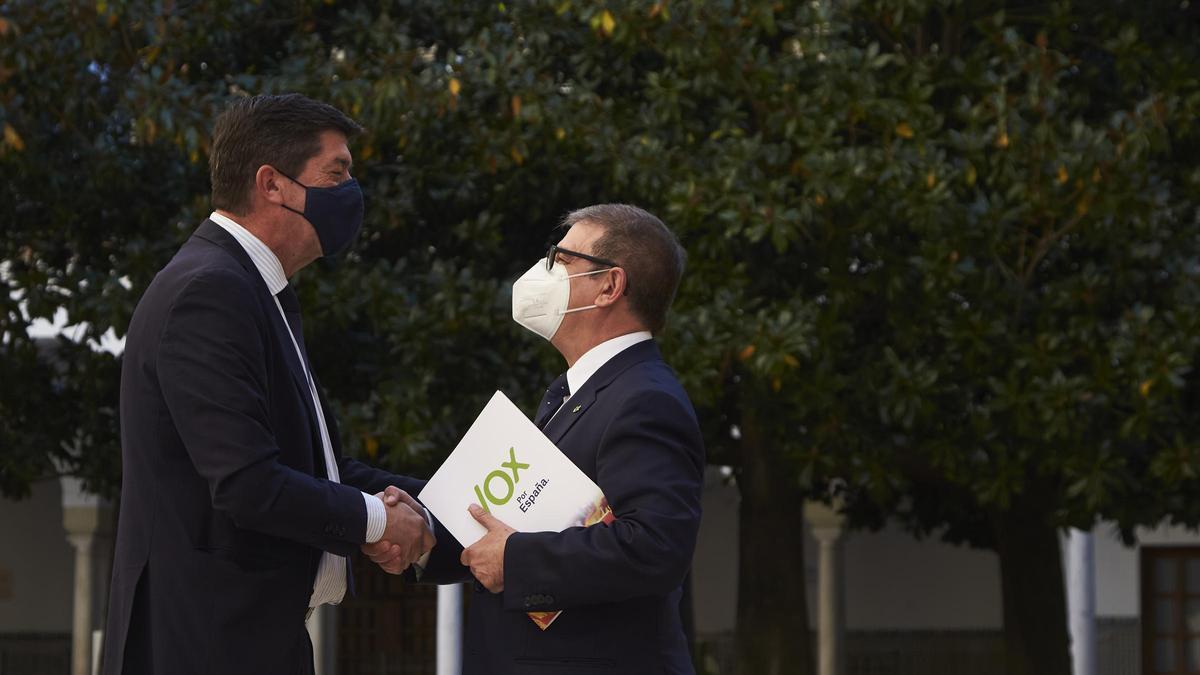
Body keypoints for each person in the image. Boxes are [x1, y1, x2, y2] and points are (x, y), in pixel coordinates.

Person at [101, 93, 434, 675]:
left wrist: (443, 506)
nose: (351, 191)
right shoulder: (211, 291)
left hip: (249, 636)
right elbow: (247, 483)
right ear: (272, 184)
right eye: (338, 172)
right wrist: (378, 520)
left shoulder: (253, 287)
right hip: (206, 643)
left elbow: (314, 468)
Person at [369, 203, 705, 675]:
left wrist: (516, 559)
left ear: (610, 286)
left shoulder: (644, 397)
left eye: (562, 260)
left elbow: (655, 547)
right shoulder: (577, 391)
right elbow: (526, 521)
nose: (544, 271)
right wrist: (426, 535)